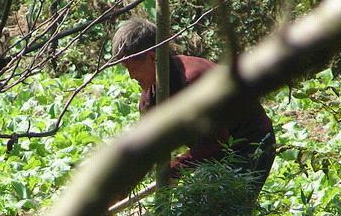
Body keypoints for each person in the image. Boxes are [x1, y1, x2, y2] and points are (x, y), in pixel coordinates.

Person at [111, 16, 275, 190]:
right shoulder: (150, 99)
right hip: (215, 151)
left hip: (251, 144)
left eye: (132, 68)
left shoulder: (195, 82)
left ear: (152, 58)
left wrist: (175, 168)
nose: (130, 76)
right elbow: (145, 151)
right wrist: (115, 195)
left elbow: (215, 142)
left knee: (229, 210)